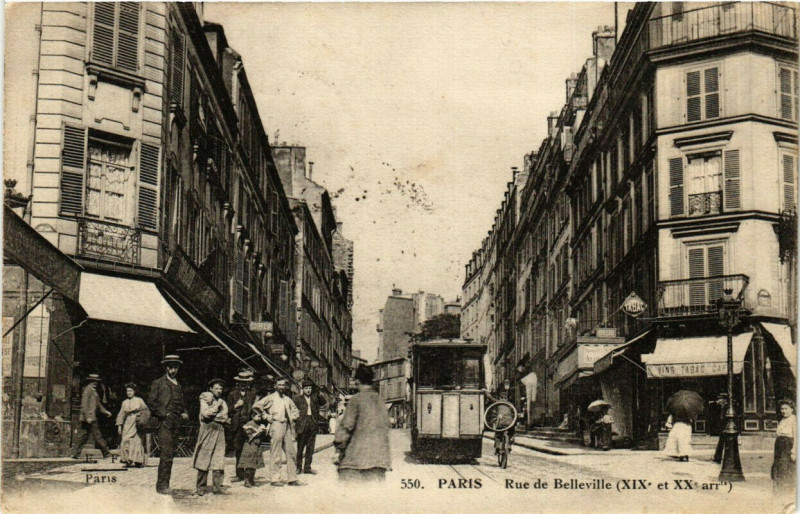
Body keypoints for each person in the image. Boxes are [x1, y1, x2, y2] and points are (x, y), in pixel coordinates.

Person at [334, 365, 391, 482]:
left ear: (357, 381)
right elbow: (386, 426)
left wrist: (338, 449)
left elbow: (345, 428)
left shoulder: (356, 400)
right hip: (379, 462)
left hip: (356, 462)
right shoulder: (380, 401)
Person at [147, 355, 189, 495]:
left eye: (176, 367)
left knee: (171, 453)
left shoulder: (178, 384)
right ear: (166, 368)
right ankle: (162, 486)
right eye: (171, 367)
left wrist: (184, 412)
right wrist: (164, 414)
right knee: (166, 453)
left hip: (176, 422)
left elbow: (181, 402)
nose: (173, 370)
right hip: (164, 422)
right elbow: (152, 403)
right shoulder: (158, 383)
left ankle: (166, 484)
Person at [254, 377, 304, 487]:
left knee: (291, 452)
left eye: (283, 385)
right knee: (276, 452)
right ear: (275, 386)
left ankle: (292, 478)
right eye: (279, 385)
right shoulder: (270, 398)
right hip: (276, 424)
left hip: (287, 426)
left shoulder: (287, 399)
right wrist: (266, 416)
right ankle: (275, 479)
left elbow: (295, 410)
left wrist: (293, 416)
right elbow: (257, 406)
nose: (281, 387)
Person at [193, 378, 229, 496]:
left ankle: (217, 486)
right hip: (208, 430)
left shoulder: (223, 402)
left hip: (219, 430)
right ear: (211, 389)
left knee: (218, 458)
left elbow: (224, 417)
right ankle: (201, 487)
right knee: (204, 457)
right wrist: (216, 408)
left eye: (220, 388)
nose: (219, 391)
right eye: (216, 388)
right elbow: (205, 414)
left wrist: (214, 415)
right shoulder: (205, 398)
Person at [71, 374, 113, 459]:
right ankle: (106, 453)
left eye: (96, 381)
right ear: (90, 382)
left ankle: (76, 453)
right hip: (89, 418)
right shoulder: (87, 390)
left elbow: (98, 404)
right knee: (96, 436)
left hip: (91, 417)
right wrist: (87, 417)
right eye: (93, 381)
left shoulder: (94, 391)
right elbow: (84, 405)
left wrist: (105, 411)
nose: (95, 383)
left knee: (84, 436)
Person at [227, 369, 258, 482]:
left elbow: (256, 408)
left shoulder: (252, 395)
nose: (243, 385)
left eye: (246, 383)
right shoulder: (232, 394)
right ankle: (239, 474)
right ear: (238, 383)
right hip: (237, 425)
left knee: (251, 449)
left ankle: (249, 476)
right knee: (238, 449)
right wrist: (235, 405)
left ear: (248, 383)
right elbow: (227, 410)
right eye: (241, 383)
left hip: (249, 424)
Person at [292, 379, 329, 475]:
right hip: (302, 424)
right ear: (303, 389)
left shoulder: (315, 398)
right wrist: (296, 421)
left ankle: (307, 468)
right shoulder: (297, 398)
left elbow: (323, 402)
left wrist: (318, 392)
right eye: (306, 388)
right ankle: (298, 467)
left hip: (312, 424)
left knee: (310, 448)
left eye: (310, 388)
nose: (308, 390)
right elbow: (292, 410)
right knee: (300, 448)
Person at [115, 382, 147, 467]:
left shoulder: (139, 400)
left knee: (136, 441)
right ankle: (127, 459)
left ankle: (138, 460)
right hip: (127, 423)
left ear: (134, 391)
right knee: (125, 439)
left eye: (131, 391)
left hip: (136, 422)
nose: (129, 393)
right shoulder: (124, 402)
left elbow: (145, 411)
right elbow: (121, 414)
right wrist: (119, 426)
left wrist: (141, 418)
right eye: (127, 391)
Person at [771, 399, 796, 494]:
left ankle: (787, 491)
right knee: (779, 466)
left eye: (786, 408)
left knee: (787, 468)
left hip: (787, 445)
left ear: (792, 409)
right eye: (782, 409)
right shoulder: (783, 420)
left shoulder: (794, 420)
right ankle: (779, 490)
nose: (783, 411)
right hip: (780, 446)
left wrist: (794, 451)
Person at [239, 409, 268, 487]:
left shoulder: (259, 424)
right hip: (250, 446)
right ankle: (247, 481)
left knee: (254, 464)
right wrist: (258, 431)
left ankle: (252, 480)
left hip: (257, 446)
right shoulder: (249, 424)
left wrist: (264, 431)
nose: (260, 418)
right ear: (252, 416)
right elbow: (249, 437)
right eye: (258, 416)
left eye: (261, 416)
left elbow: (263, 437)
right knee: (249, 464)